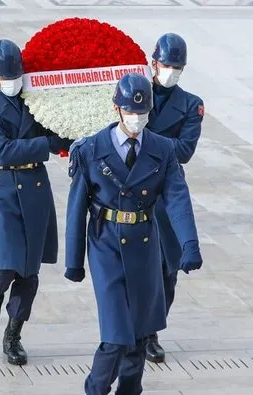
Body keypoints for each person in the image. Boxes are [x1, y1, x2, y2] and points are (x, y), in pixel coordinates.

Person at [64, 73, 203, 395]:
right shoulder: (91, 149)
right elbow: (76, 207)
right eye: (130, 111)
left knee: (140, 335)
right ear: (116, 108)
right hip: (106, 242)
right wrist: (74, 261)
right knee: (115, 336)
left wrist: (189, 244)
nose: (136, 118)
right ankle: (95, 390)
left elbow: (177, 198)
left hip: (144, 243)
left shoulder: (163, 149)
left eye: (142, 113)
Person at [0, 39, 71, 366]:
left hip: (35, 186)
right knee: (3, 261)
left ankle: (13, 334)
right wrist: (44, 144)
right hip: (3, 190)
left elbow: (60, 132)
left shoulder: (34, 98)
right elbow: (1, 151)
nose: (13, 81)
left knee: (29, 270)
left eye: (17, 75)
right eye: (6, 76)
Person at [144, 33, 205, 364]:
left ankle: (152, 330)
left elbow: (184, 151)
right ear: (154, 63)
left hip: (167, 189)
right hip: (134, 186)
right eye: (166, 65)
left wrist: (144, 136)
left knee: (168, 269)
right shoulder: (133, 90)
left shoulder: (190, 104)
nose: (171, 71)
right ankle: (137, 329)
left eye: (177, 67)